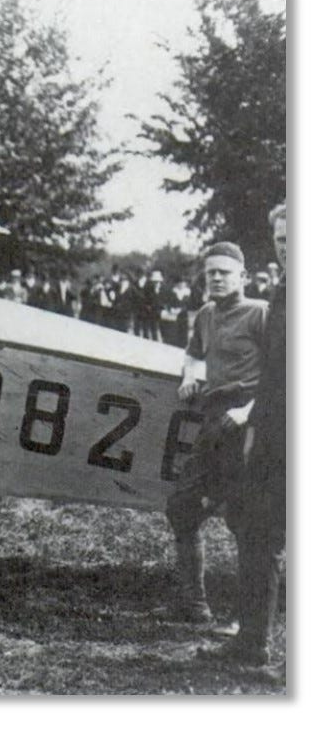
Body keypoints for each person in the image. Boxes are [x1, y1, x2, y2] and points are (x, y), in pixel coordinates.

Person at [164, 242, 269, 623]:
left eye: (225, 272)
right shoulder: (206, 314)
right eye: (211, 273)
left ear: (243, 276)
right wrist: (191, 375)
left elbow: (285, 375)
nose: (217, 278)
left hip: (248, 423)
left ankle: (249, 620)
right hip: (213, 421)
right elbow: (194, 353)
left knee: (247, 521)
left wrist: (247, 412)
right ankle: (194, 604)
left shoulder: (262, 314)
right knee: (182, 507)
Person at [201, 203, 287, 666]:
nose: (287, 249)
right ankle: (253, 642)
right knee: (257, 532)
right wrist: (257, 422)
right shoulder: (285, 290)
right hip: (275, 432)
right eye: (280, 240)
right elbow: (275, 372)